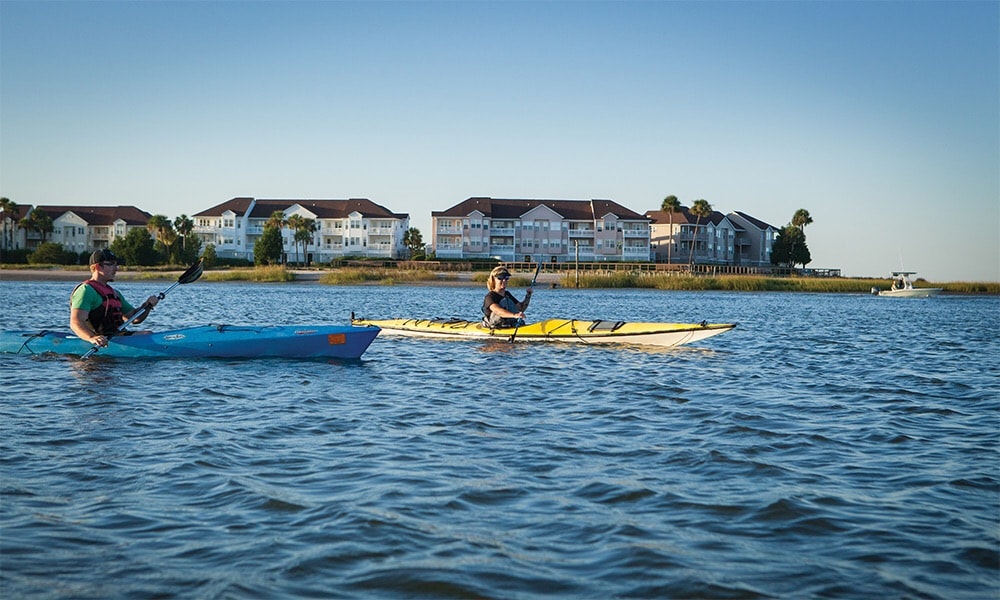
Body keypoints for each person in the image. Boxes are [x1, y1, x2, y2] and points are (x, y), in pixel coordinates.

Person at [70, 248, 160, 347]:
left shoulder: (115, 293)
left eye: (116, 264)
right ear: (98, 267)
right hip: (99, 340)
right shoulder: (86, 290)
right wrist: (92, 338)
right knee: (146, 335)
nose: (116, 268)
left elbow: (135, 318)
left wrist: (147, 306)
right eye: (111, 264)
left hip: (118, 337)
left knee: (147, 334)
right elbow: (76, 322)